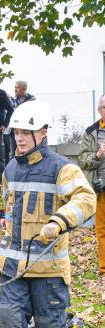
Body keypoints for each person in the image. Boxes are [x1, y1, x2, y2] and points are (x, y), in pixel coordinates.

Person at [0, 101, 96, 328]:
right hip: (13, 268)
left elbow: (86, 199)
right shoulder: (10, 168)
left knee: (50, 325)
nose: (20, 138)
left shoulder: (63, 168)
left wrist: (59, 221)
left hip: (48, 270)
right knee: (10, 323)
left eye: (27, 133)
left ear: (44, 133)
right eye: (17, 133)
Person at [78, 95, 105, 276]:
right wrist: (98, 154)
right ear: (99, 110)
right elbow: (82, 160)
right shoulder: (91, 132)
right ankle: (104, 267)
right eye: (104, 107)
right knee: (102, 230)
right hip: (101, 188)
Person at [4, 81, 36, 157]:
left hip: (27, 130)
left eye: (17, 87)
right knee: (13, 153)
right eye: (15, 87)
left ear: (24, 89)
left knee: (27, 152)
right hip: (14, 130)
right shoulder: (13, 100)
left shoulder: (32, 100)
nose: (15, 89)